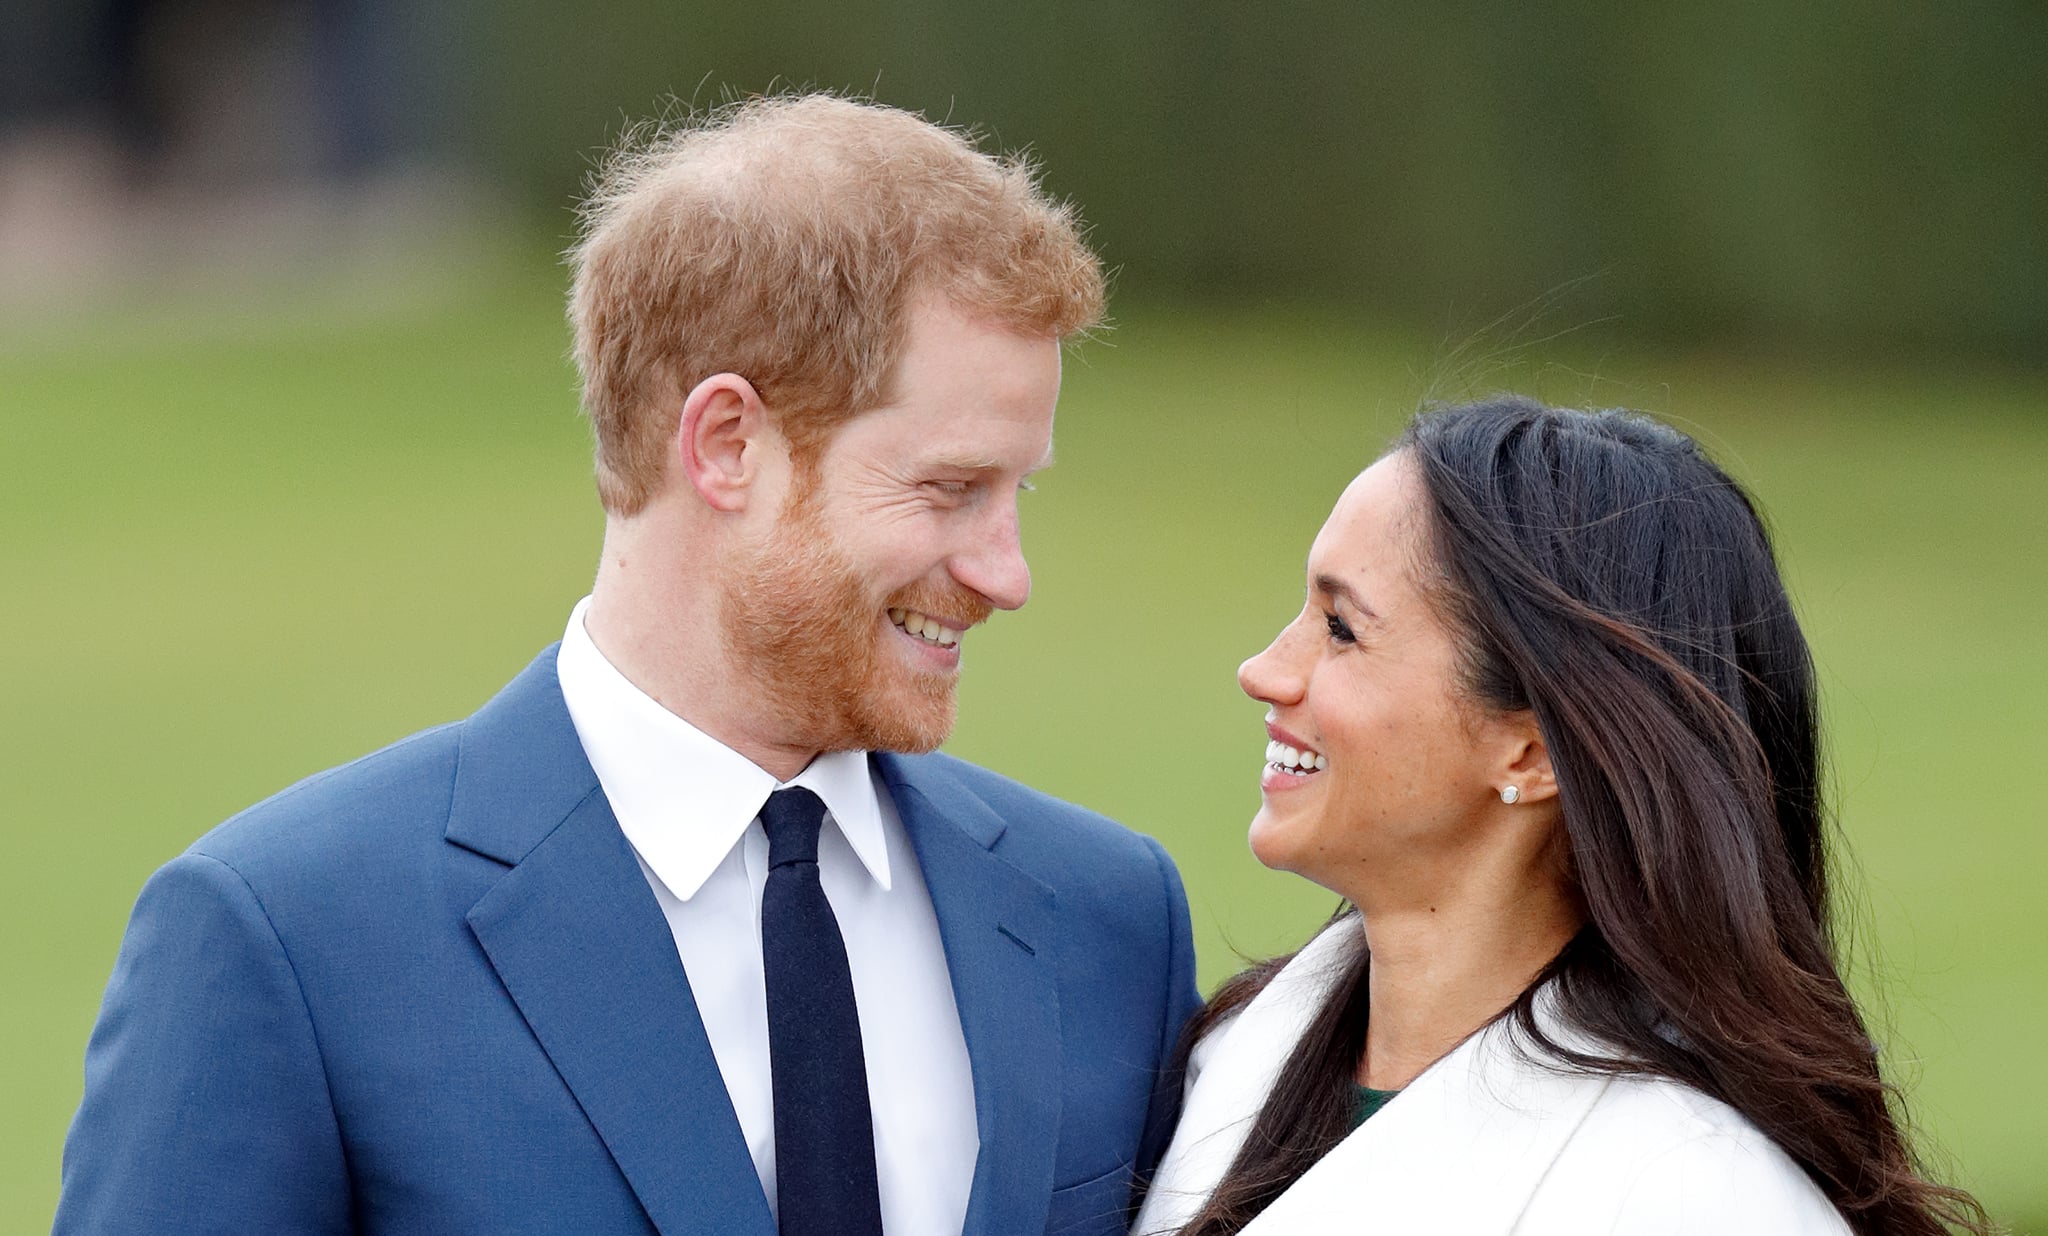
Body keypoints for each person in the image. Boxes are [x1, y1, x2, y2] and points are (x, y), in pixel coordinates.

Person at [58, 94, 1201, 1236]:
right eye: (951, 489)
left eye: (1020, 490)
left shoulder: (1106, 921)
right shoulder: (288, 941)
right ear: (726, 445)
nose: (1008, 574)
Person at [1134, 397, 1990, 1235]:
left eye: (1342, 629)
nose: (1265, 669)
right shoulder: (1233, 1054)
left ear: (1533, 753)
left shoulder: (1695, 1195)